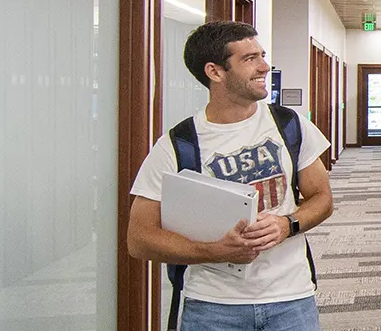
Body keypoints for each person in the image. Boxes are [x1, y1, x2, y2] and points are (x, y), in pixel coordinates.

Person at [126, 21, 335, 330]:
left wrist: (286, 224)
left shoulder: (289, 125)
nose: (264, 66)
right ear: (215, 72)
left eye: (262, 55)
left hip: (291, 298)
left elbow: (323, 199)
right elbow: (140, 239)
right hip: (213, 306)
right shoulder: (178, 145)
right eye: (249, 59)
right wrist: (213, 251)